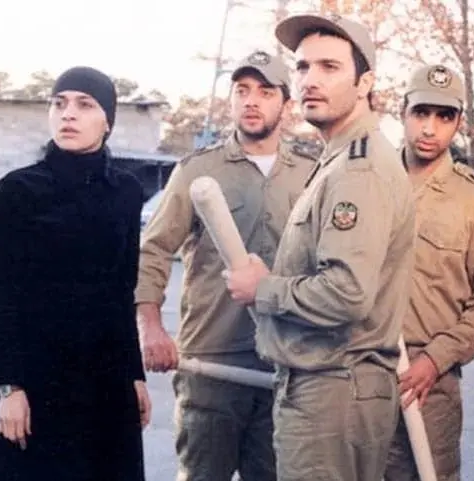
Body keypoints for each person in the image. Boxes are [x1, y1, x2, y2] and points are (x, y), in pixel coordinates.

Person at [224, 12, 415, 481]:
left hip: (332, 391)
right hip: (332, 388)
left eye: (330, 67)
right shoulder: (340, 158)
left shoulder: (358, 169)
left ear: (365, 82)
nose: (310, 80)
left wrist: (263, 288)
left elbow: (347, 293)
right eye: (304, 67)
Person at [134, 50, 317, 481]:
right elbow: (153, 251)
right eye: (242, 90)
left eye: (265, 92)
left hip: (284, 361)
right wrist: (151, 326)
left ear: (286, 104)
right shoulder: (198, 171)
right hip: (210, 364)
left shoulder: (313, 174)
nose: (251, 101)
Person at [0, 66, 151, 481]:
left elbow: (122, 291)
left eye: (84, 104)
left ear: (108, 120)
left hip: (107, 385)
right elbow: (1, 294)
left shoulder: (126, 192)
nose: (68, 114)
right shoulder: (20, 190)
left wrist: (134, 375)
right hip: (37, 385)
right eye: (59, 104)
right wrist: (9, 387)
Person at [384, 64, 474, 481]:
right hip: (355, 372)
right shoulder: (366, 180)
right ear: (403, 112)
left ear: (458, 123)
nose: (430, 128)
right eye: (421, 113)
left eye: (444, 116)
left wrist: (436, 358)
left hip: (428, 382)